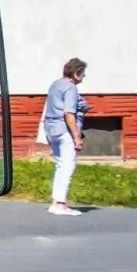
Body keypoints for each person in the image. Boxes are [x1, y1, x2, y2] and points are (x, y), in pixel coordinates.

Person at [42, 58, 87, 216]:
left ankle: (56, 201)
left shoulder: (55, 84)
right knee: (67, 165)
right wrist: (77, 137)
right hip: (64, 129)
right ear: (76, 74)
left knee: (60, 165)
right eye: (83, 74)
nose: (84, 77)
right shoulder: (70, 88)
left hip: (51, 128)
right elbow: (69, 113)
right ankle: (60, 203)